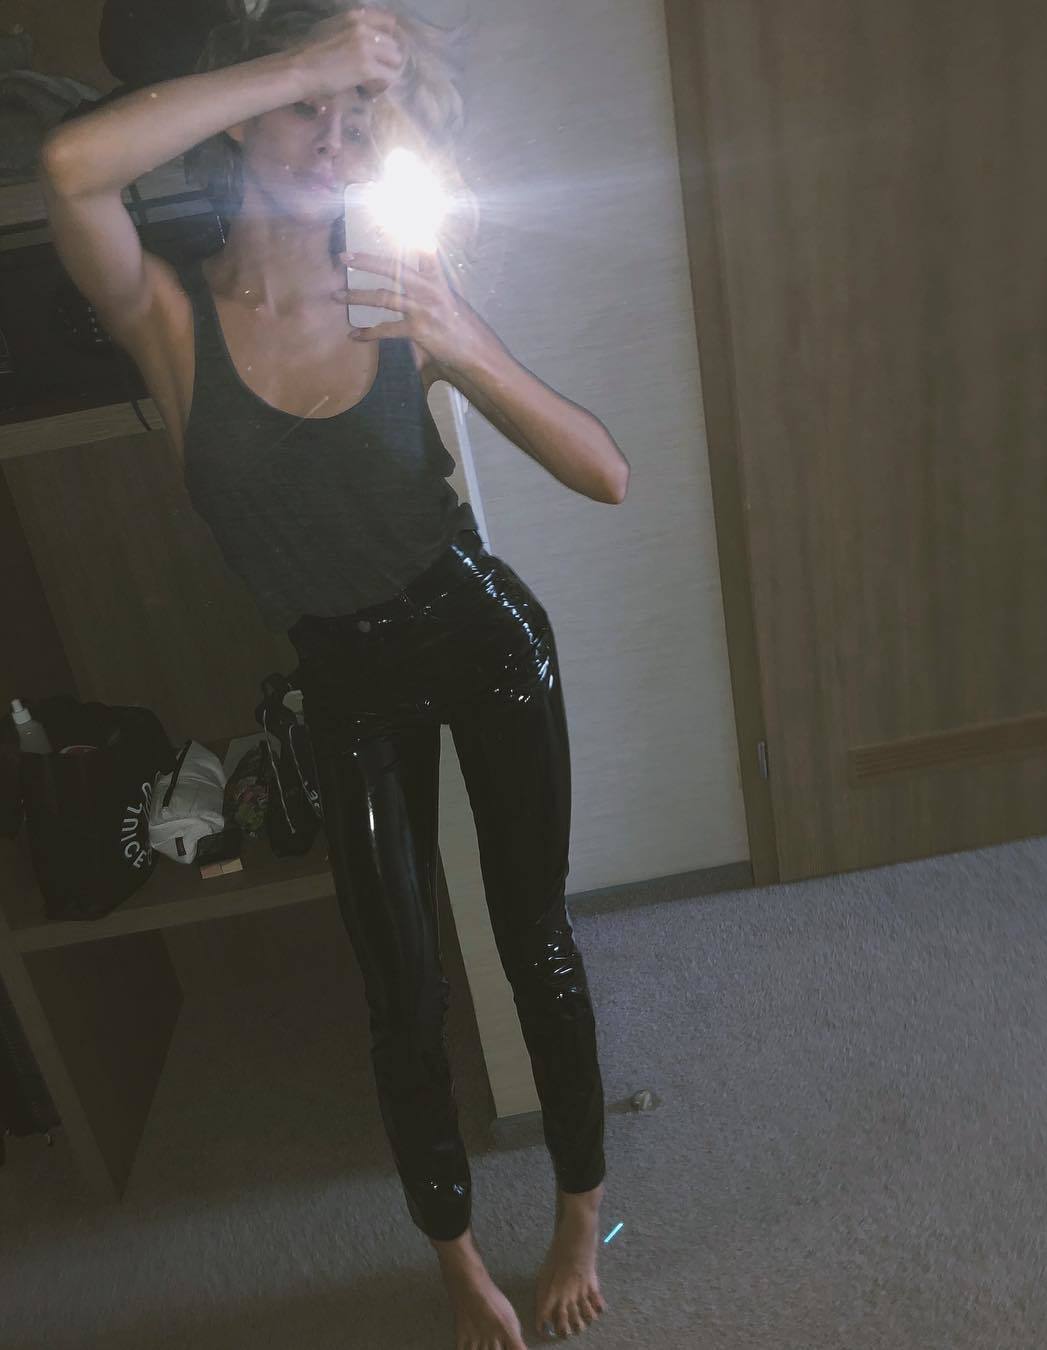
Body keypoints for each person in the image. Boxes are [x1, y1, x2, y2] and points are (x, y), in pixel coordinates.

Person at [37, 3, 629, 1347]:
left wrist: (461, 343)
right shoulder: (171, 319)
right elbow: (71, 169)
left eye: (357, 116)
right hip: (344, 677)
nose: (333, 134)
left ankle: (580, 1211)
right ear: (247, 105)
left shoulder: (398, 281)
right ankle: (455, 1257)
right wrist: (305, 65)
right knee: (399, 982)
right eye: (307, 106)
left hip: (482, 636)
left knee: (532, 937)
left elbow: (606, 472)